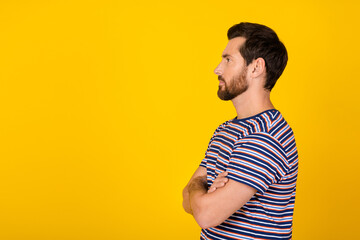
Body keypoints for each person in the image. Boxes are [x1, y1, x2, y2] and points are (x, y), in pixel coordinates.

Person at [182, 22, 298, 240]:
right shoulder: (226, 129)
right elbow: (185, 199)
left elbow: (205, 215)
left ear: (256, 68)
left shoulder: (267, 136)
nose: (217, 69)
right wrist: (202, 190)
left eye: (228, 60)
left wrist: (200, 191)